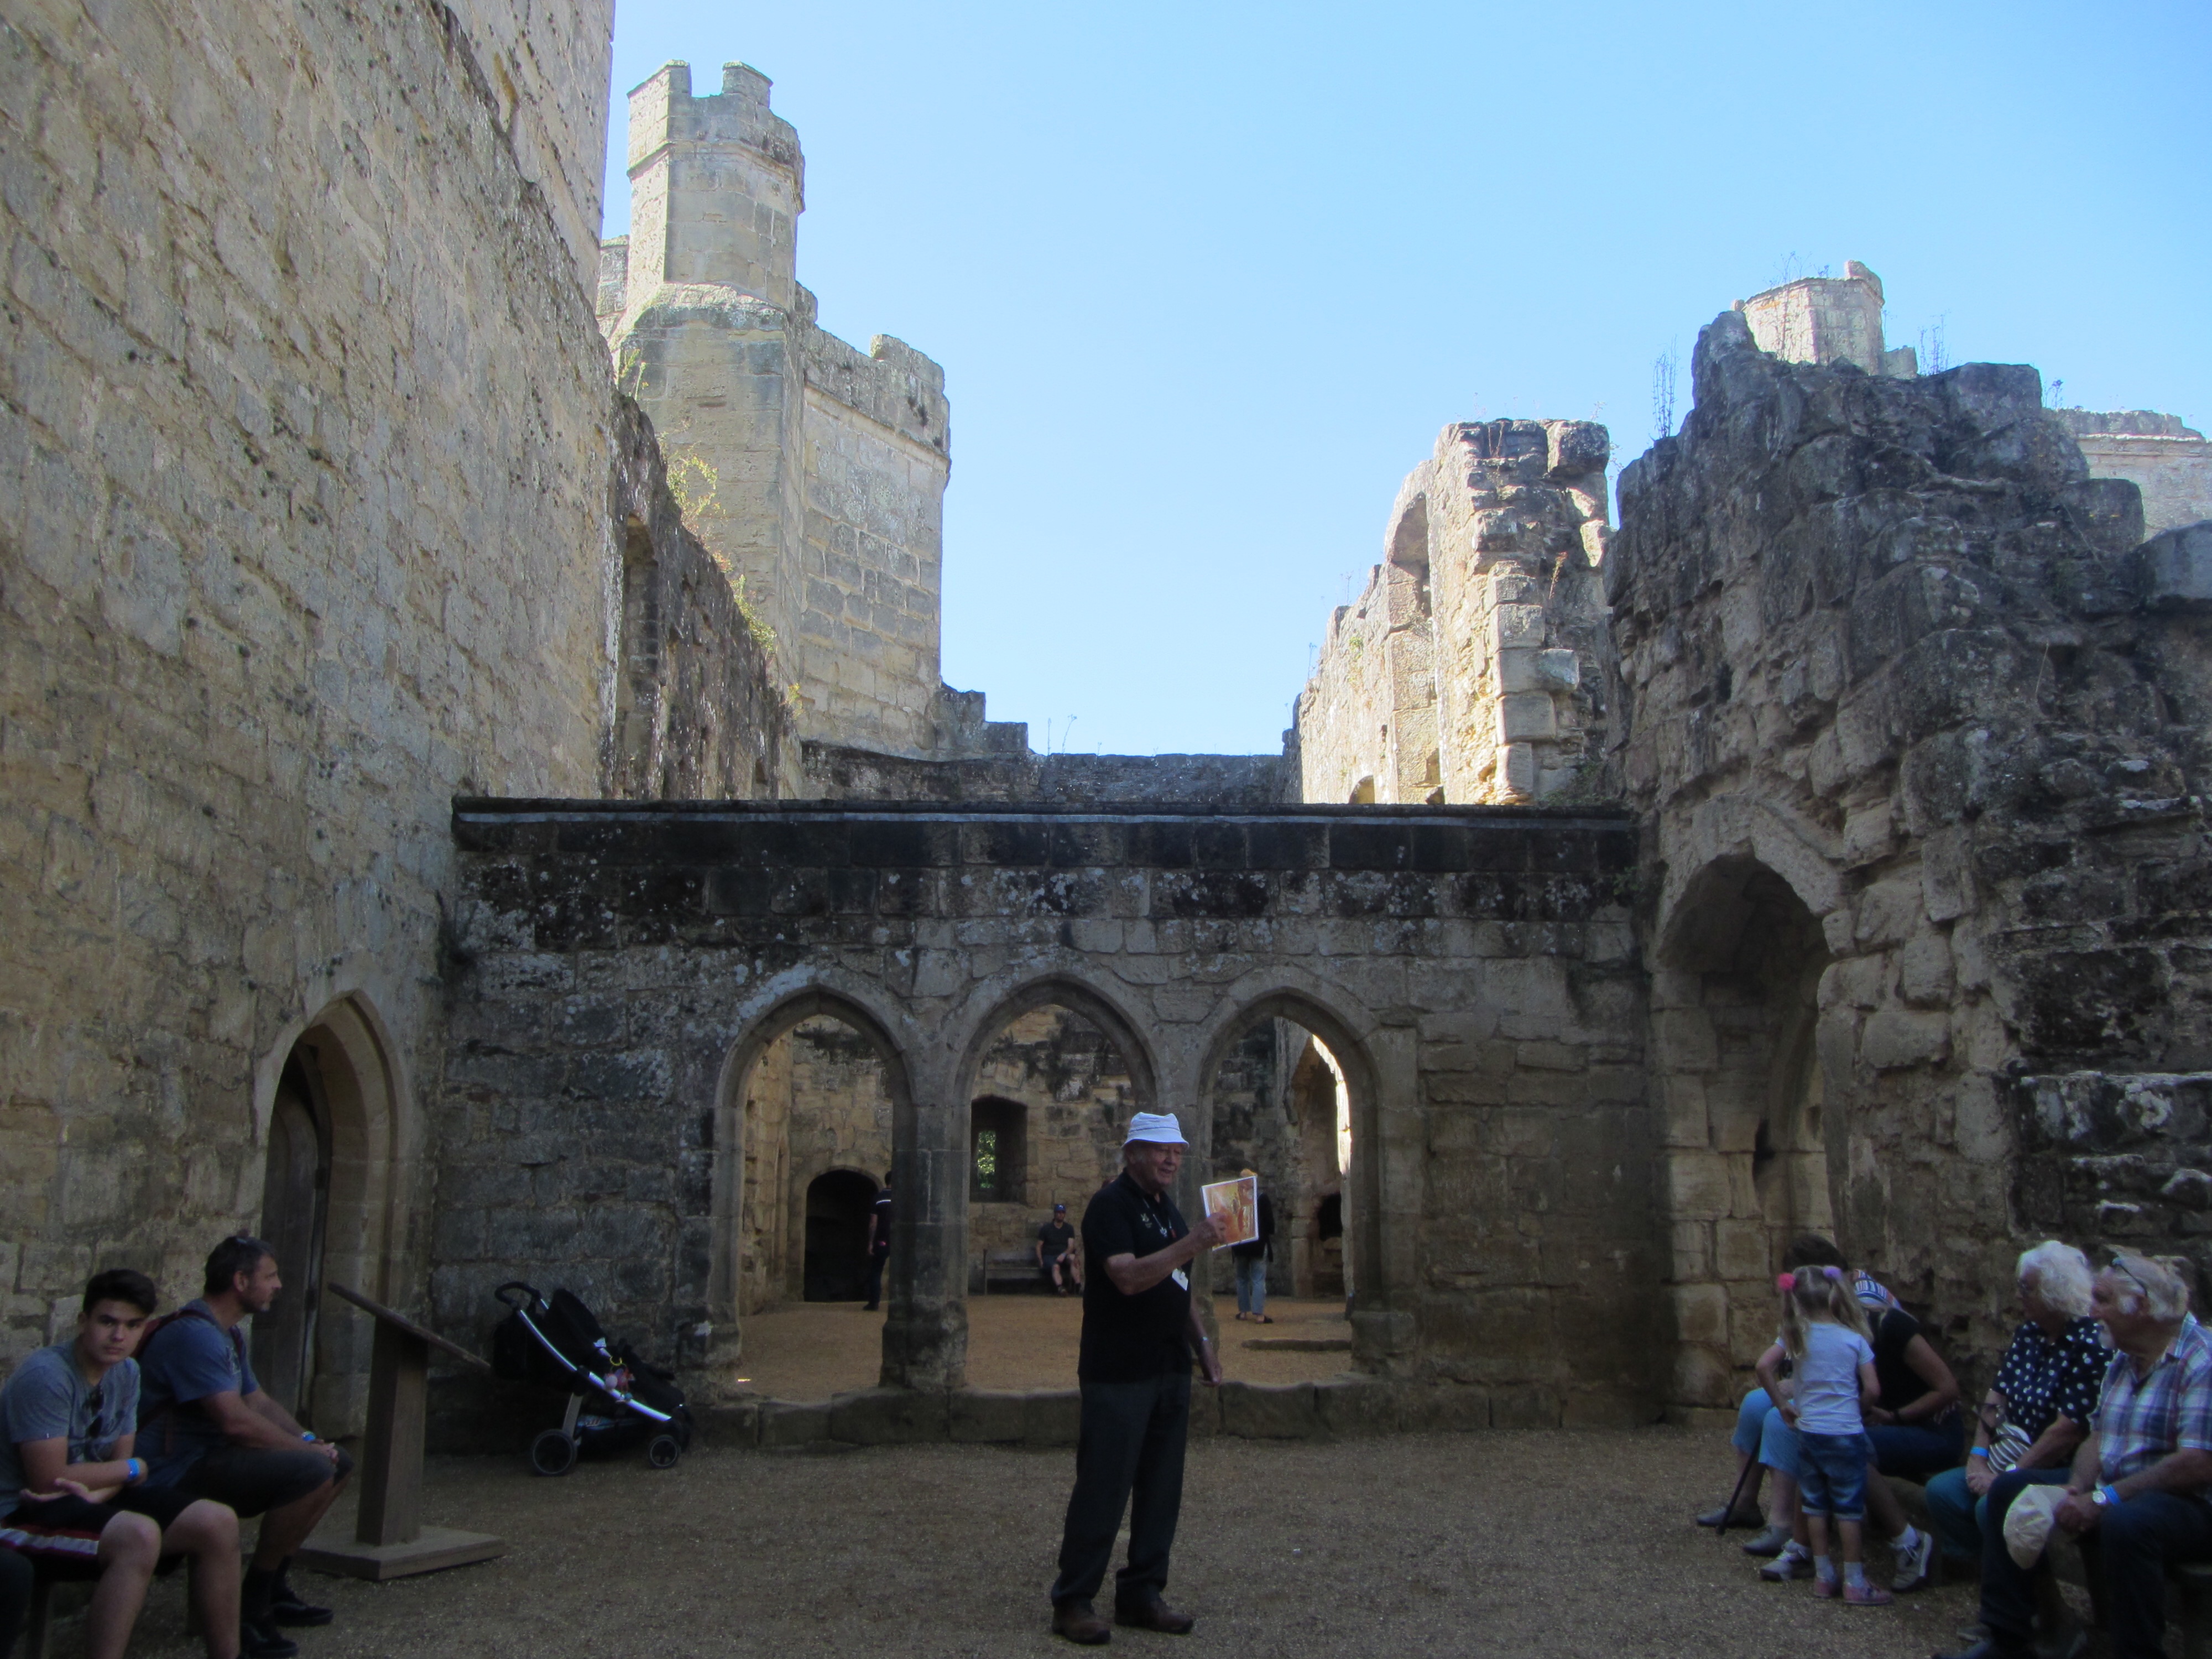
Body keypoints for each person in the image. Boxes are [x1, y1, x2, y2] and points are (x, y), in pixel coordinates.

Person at [1939, 1254, 2212, 1659]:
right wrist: (2077, 1487)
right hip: (2116, 1490)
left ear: (2141, 1306)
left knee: (2128, 1523)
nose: (2092, 1310)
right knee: (2010, 1489)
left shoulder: (2200, 1360)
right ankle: (2007, 1639)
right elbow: (2098, 1436)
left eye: (2102, 1299)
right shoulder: (2124, 1357)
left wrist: (2104, 1498)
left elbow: (2197, 1464)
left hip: (2189, 1503)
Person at [1048, 1112, 1228, 1644]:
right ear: (1133, 1154)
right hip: (1120, 1371)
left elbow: (1178, 1285)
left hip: (1168, 1367)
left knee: (1161, 1488)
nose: (1172, 1159)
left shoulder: (1165, 1208)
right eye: (1160, 1150)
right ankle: (1073, 1600)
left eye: (1177, 1151)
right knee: (1103, 1487)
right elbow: (1126, 1276)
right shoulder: (1111, 1205)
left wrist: (1203, 1345)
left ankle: (1142, 1593)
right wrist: (1194, 1241)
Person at [0, 1269, 243, 1659]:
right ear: (83, 1321)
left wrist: (105, 1488)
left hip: (88, 1497)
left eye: (133, 1326)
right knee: (139, 1536)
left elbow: (122, 1463)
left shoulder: (127, 1372)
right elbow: (48, 1479)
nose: (119, 1336)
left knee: (218, 1522)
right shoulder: (47, 1376)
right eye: (108, 1322)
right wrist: (135, 1470)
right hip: (20, 1512)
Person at [138, 1237, 353, 1657]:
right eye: (270, 1276)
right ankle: (250, 1606)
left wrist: (310, 1440)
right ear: (240, 1281)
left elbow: (258, 1403)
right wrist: (307, 1454)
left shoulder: (228, 1334)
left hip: (208, 1459)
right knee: (312, 1471)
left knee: (337, 1462)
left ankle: (272, 1588)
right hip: (171, 1471)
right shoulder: (196, 1336)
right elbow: (235, 1423)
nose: (278, 1285)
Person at [1924, 1242, 2106, 1571]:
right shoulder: (2030, 1333)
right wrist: (1978, 1457)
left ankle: (2032, 1590)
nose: (2019, 1296)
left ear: (2054, 1292)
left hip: (2056, 1466)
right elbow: (1997, 1395)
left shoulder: (2090, 1344)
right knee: (1942, 1492)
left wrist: (2009, 1476)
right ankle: (1984, 1569)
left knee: (1994, 1506)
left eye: (2027, 1288)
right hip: (2008, 1456)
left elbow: (2066, 1431)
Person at [1767, 1265, 1892, 1605]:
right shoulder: (1854, 1339)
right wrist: (1859, 1409)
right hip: (1845, 1432)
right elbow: (1873, 1389)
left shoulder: (1796, 1336)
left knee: (1815, 1504)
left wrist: (1782, 1405)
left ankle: (1823, 1577)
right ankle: (1855, 1581)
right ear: (1835, 1294)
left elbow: (1764, 1366)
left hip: (1810, 1432)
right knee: (1848, 1508)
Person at [1229, 1171, 1274, 1325]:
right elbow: (1270, 1225)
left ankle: (1243, 1312)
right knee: (1258, 1279)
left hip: (1240, 1245)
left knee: (1242, 1278)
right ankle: (1259, 1315)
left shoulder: (1235, 1199)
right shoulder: (1262, 1198)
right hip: (1258, 1246)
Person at [863, 1172, 893, 1312]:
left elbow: (873, 1223)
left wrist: (870, 1243)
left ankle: (874, 1303)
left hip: (882, 1239)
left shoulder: (878, 1198)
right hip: (899, 1240)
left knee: (876, 1271)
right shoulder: (903, 1198)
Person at [1037, 1203, 1083, 1295]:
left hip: (1063, 1256)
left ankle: (1078, 1286)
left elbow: (1071, 1246)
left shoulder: (1069, 1228)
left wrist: (1064, 1254)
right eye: (1058, 1212)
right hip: (1050, 1256)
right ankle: (1060, 1288)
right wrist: (1041, 1261)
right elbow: (1039, 1246)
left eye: (1062, 1213)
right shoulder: (1046, 1229)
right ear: (1055, 1214)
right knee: (1056, 1267)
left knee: (1073, 1259)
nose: (1060, 1215)